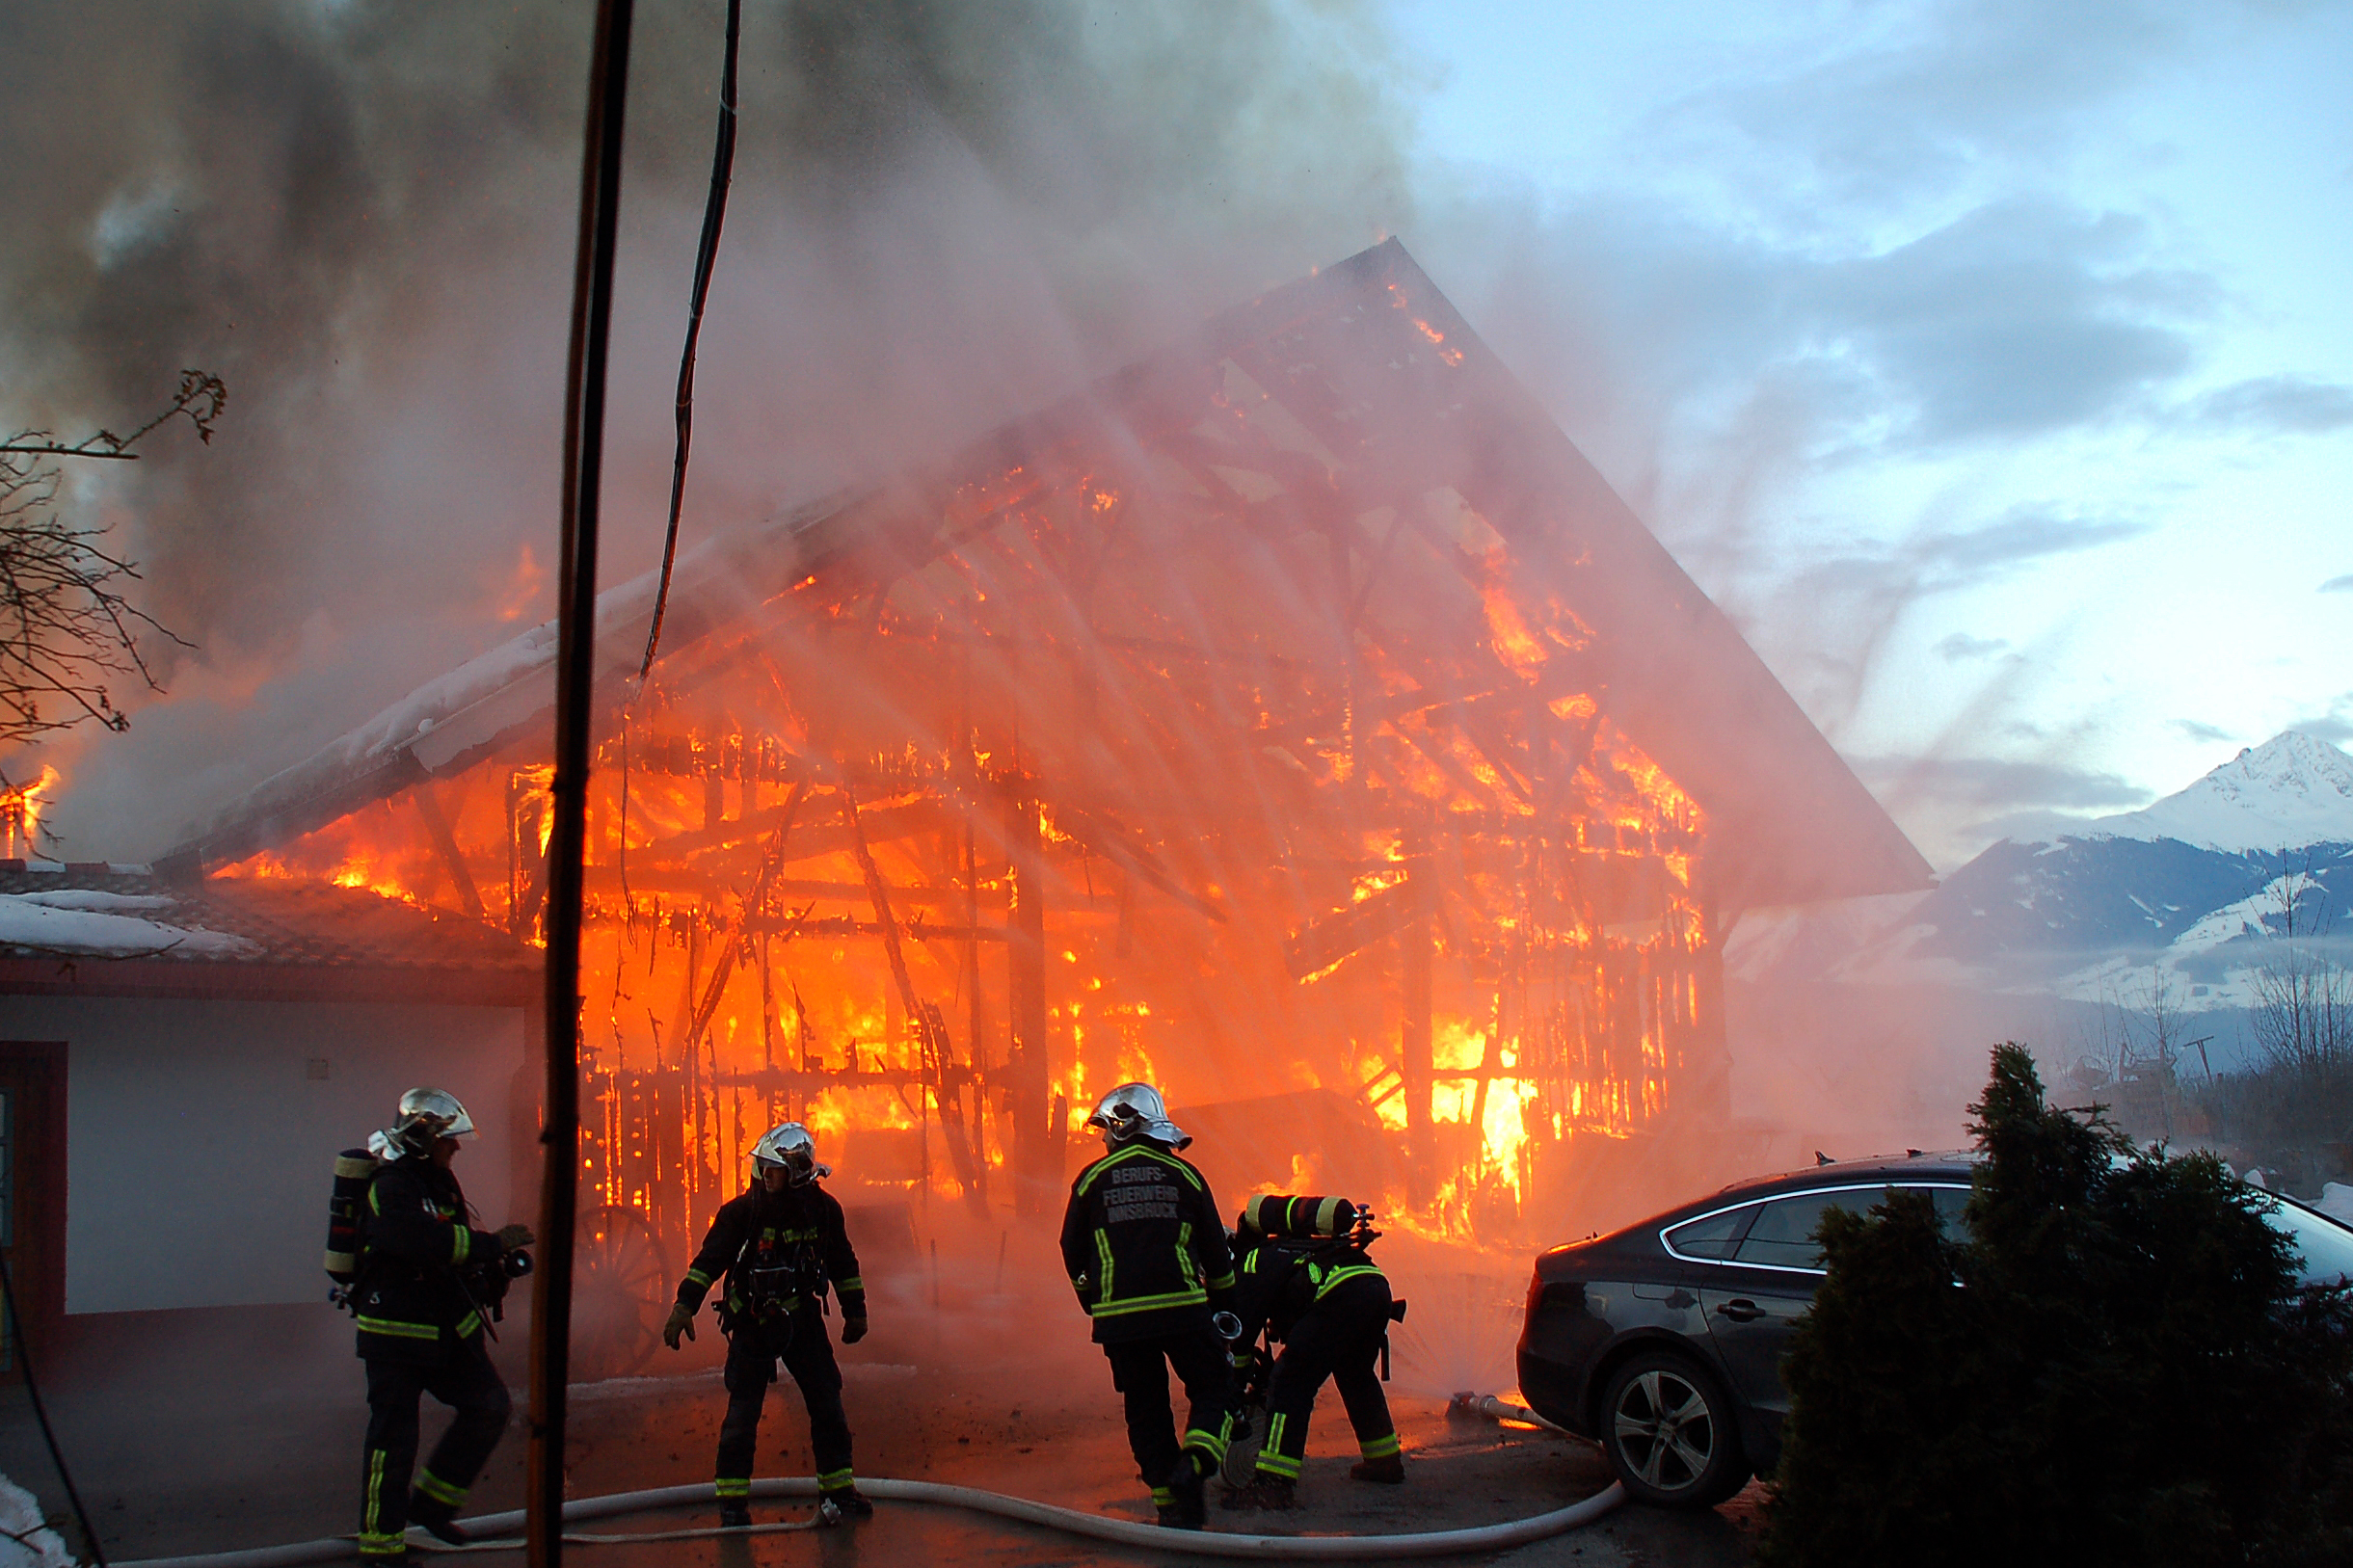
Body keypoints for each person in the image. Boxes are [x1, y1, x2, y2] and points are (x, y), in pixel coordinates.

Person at [349, 1087, 534, 1561]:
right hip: (396, 1334)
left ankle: (430, 1507)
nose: (456, 1147)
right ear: (422, 1137)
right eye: (449, 1139)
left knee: (490, 1405)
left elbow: (452, 1241)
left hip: (443, 1327)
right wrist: (487, 1246)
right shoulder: (389, 1185)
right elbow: (415, 1239)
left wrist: (493, 1264)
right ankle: (381, 1543)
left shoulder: (440, 1183)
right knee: (394, 1439)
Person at [663, 1122, 873, 1528]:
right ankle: (732, 1505)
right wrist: (683, 1306)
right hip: (752, 1319)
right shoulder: (741, 1213)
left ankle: (838, 1491)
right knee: (743, 1412)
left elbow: (842, 1262)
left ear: (796, 1172)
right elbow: (708, 1262)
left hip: (802, 1317)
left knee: (827, 1401)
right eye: (762, 1167)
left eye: (772, 1169)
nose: (763, 1176)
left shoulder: (823, 1210)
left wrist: (855, 1310)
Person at [1059, 1083, 1239, 1529]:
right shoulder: (1186, 1175)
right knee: (1215, 1385)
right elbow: (1217, 1254)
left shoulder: (1090, 1179)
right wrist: (1223, 1304)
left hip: (1120, 1320)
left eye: (1105, 1129)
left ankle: (1169, 1505)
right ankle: (1194, 1466)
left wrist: (1093, 1301)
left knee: (1145, 1407)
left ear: (1121, 1128)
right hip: (1182, 1308)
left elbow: (1072, 1249)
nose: (1102, 1139)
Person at [1219, 1194, 1405, 1510]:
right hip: (1374, 1289)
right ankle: (1384, 1461)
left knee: (1290, 1382)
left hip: (1340, 1296)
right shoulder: (1286, 1248)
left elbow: (1240, 1337)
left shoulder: (1250, 1264)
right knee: (1356, 1375)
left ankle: (1274, 1486)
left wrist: (1234, 1388)